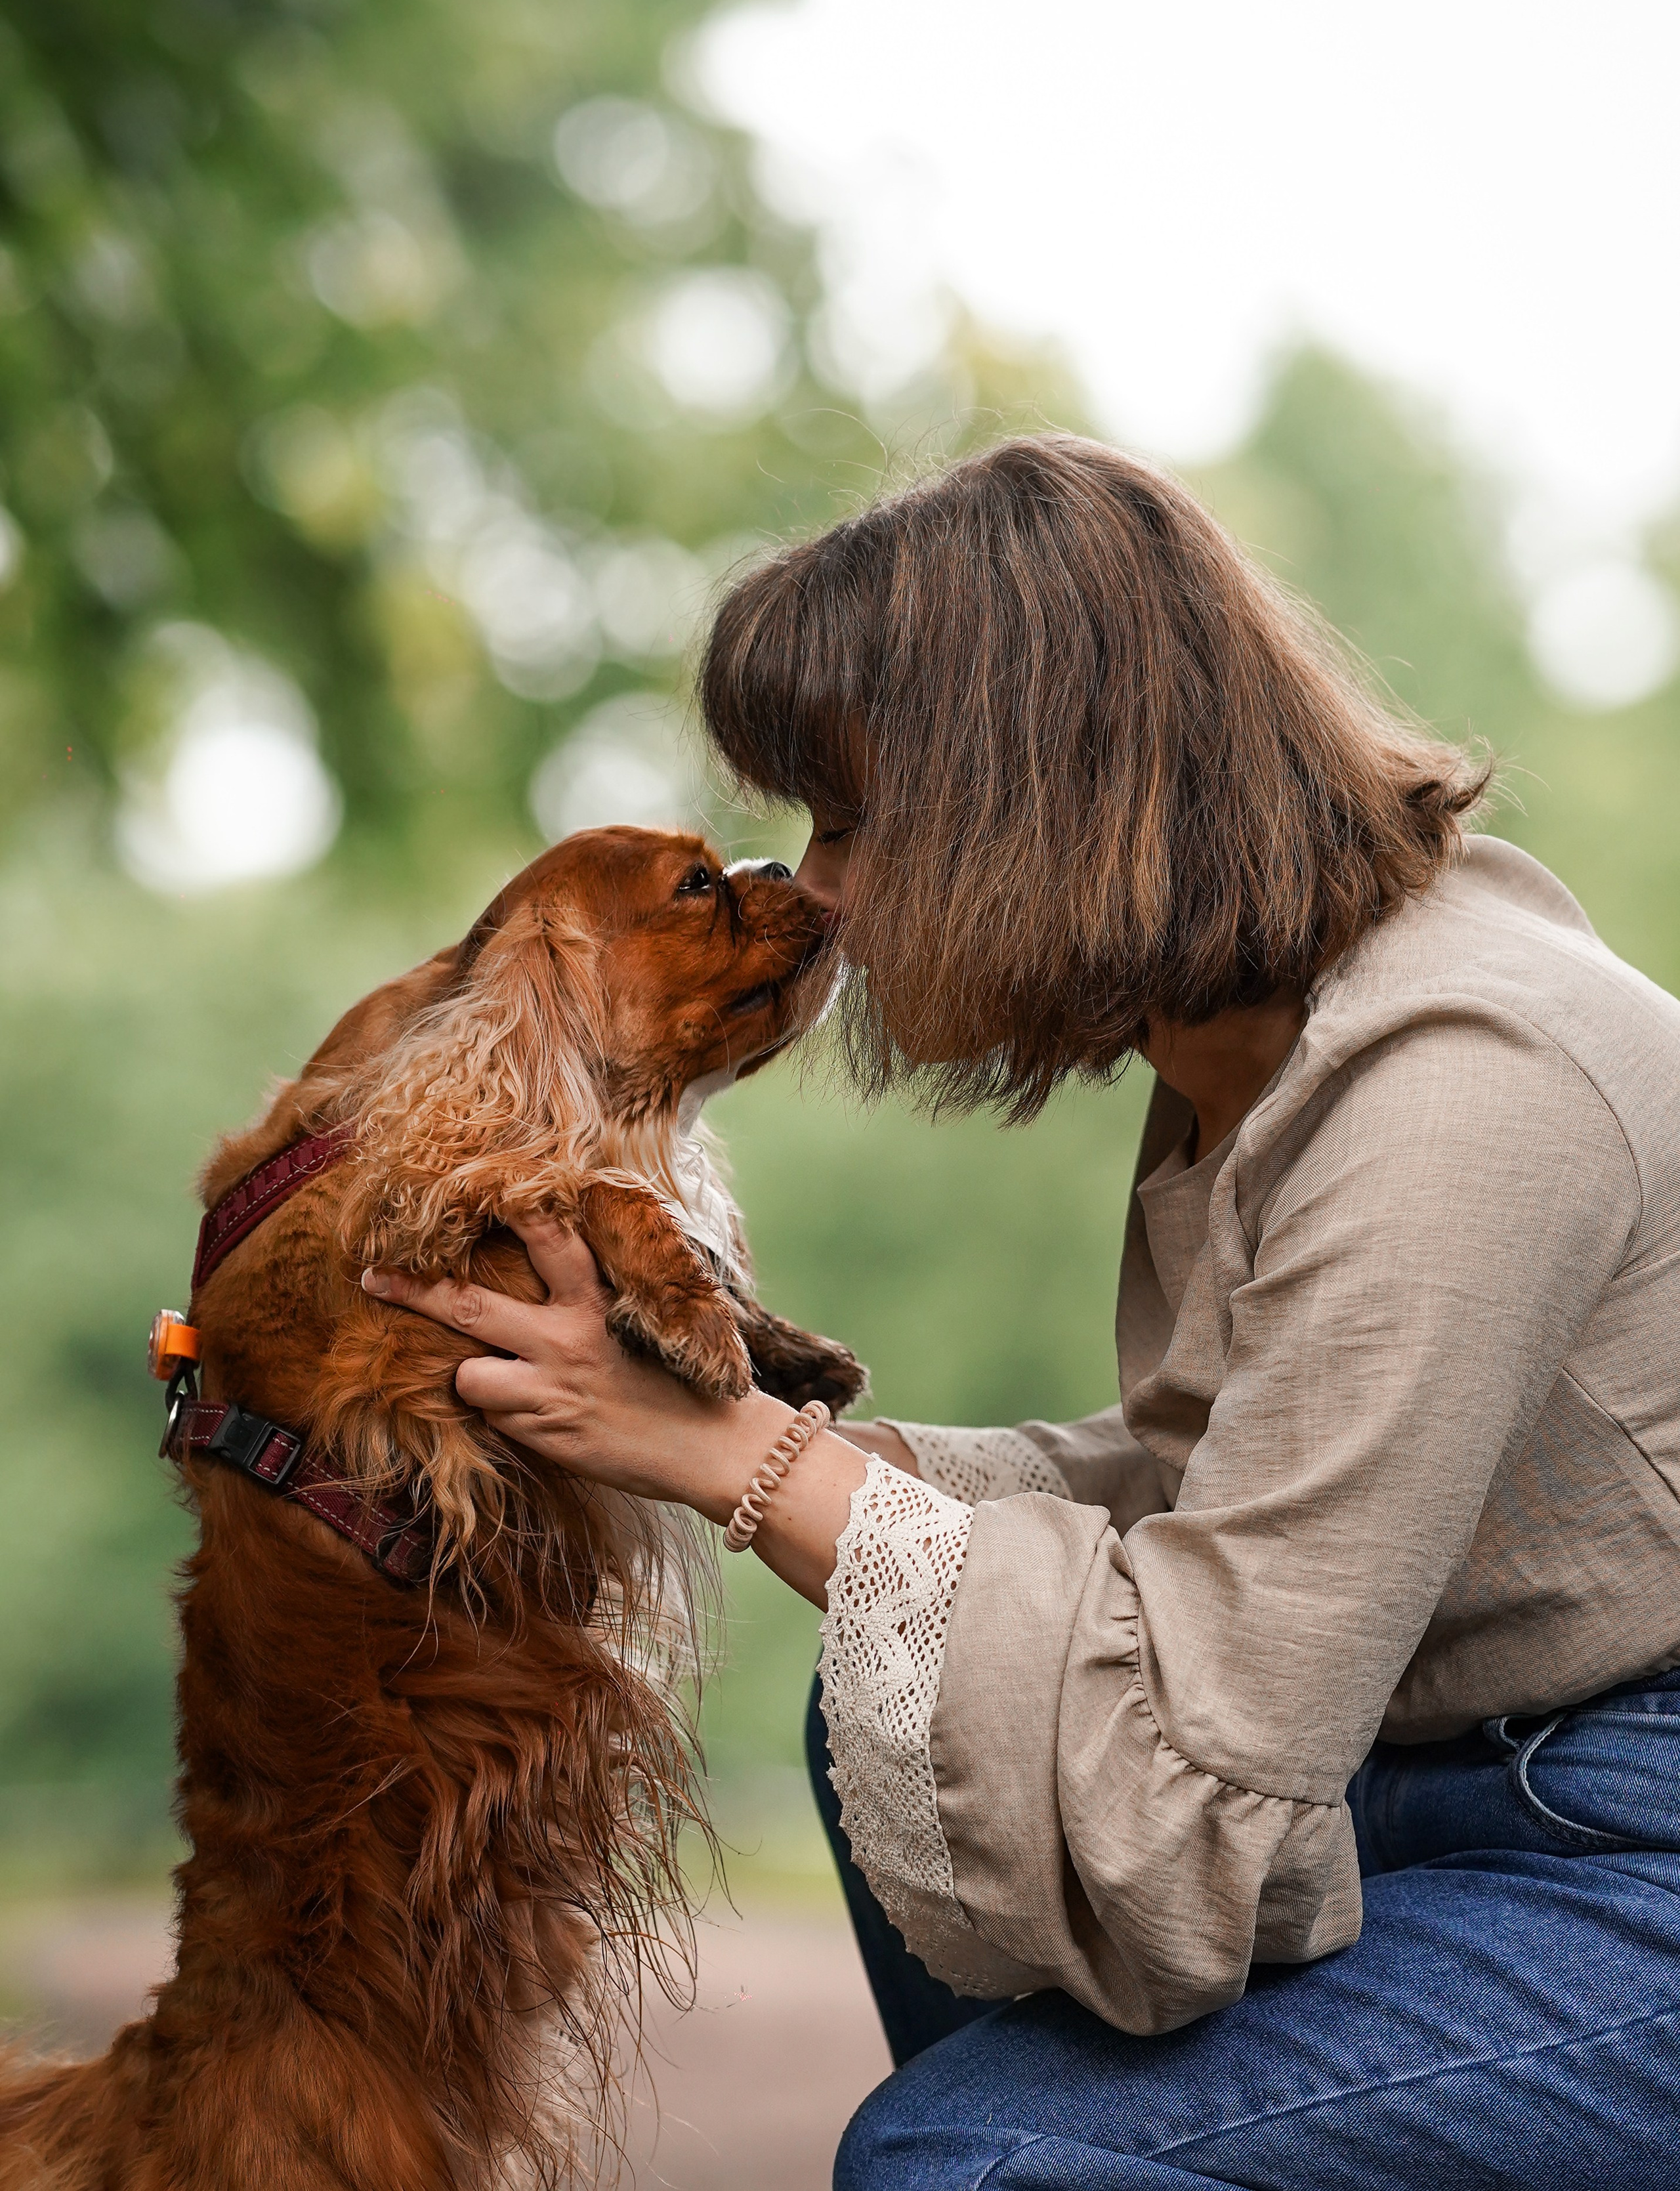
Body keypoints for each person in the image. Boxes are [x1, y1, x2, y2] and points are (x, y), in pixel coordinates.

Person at [365, 435, 1680, 2188]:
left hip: (1625, 1834)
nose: (819, 887)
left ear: (1030, 798)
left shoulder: (1463, 1082)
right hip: (1449, 1766)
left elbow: (1206, 1775)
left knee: (974, 2156)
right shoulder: (1258, 1041)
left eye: (851, 821)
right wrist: (767, 1444)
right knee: (911, 1698)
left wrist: (743, 1460)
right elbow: (1223, 1481)